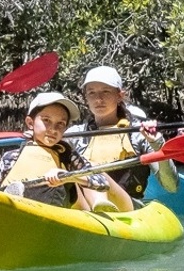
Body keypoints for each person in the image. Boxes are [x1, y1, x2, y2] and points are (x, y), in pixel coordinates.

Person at [0, 91, 133, 211]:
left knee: (66, 183)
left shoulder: (66, 154)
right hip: (20, 200)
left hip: (59, 203)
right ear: (30, 123)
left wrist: (69, 176)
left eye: (60, 124)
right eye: (46, 120)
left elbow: (101, 183)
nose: (53, 129)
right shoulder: (10, 157)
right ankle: (17, 196)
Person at [71, 65, 178, 199]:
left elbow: (171, 186)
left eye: (106, 91)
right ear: (86, 97)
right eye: (91, 92)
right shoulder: (74, 135)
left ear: (120, 95)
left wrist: (158, 145)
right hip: (86, 207)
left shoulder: (139, 134)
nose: (98, 99)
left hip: (129, 206)